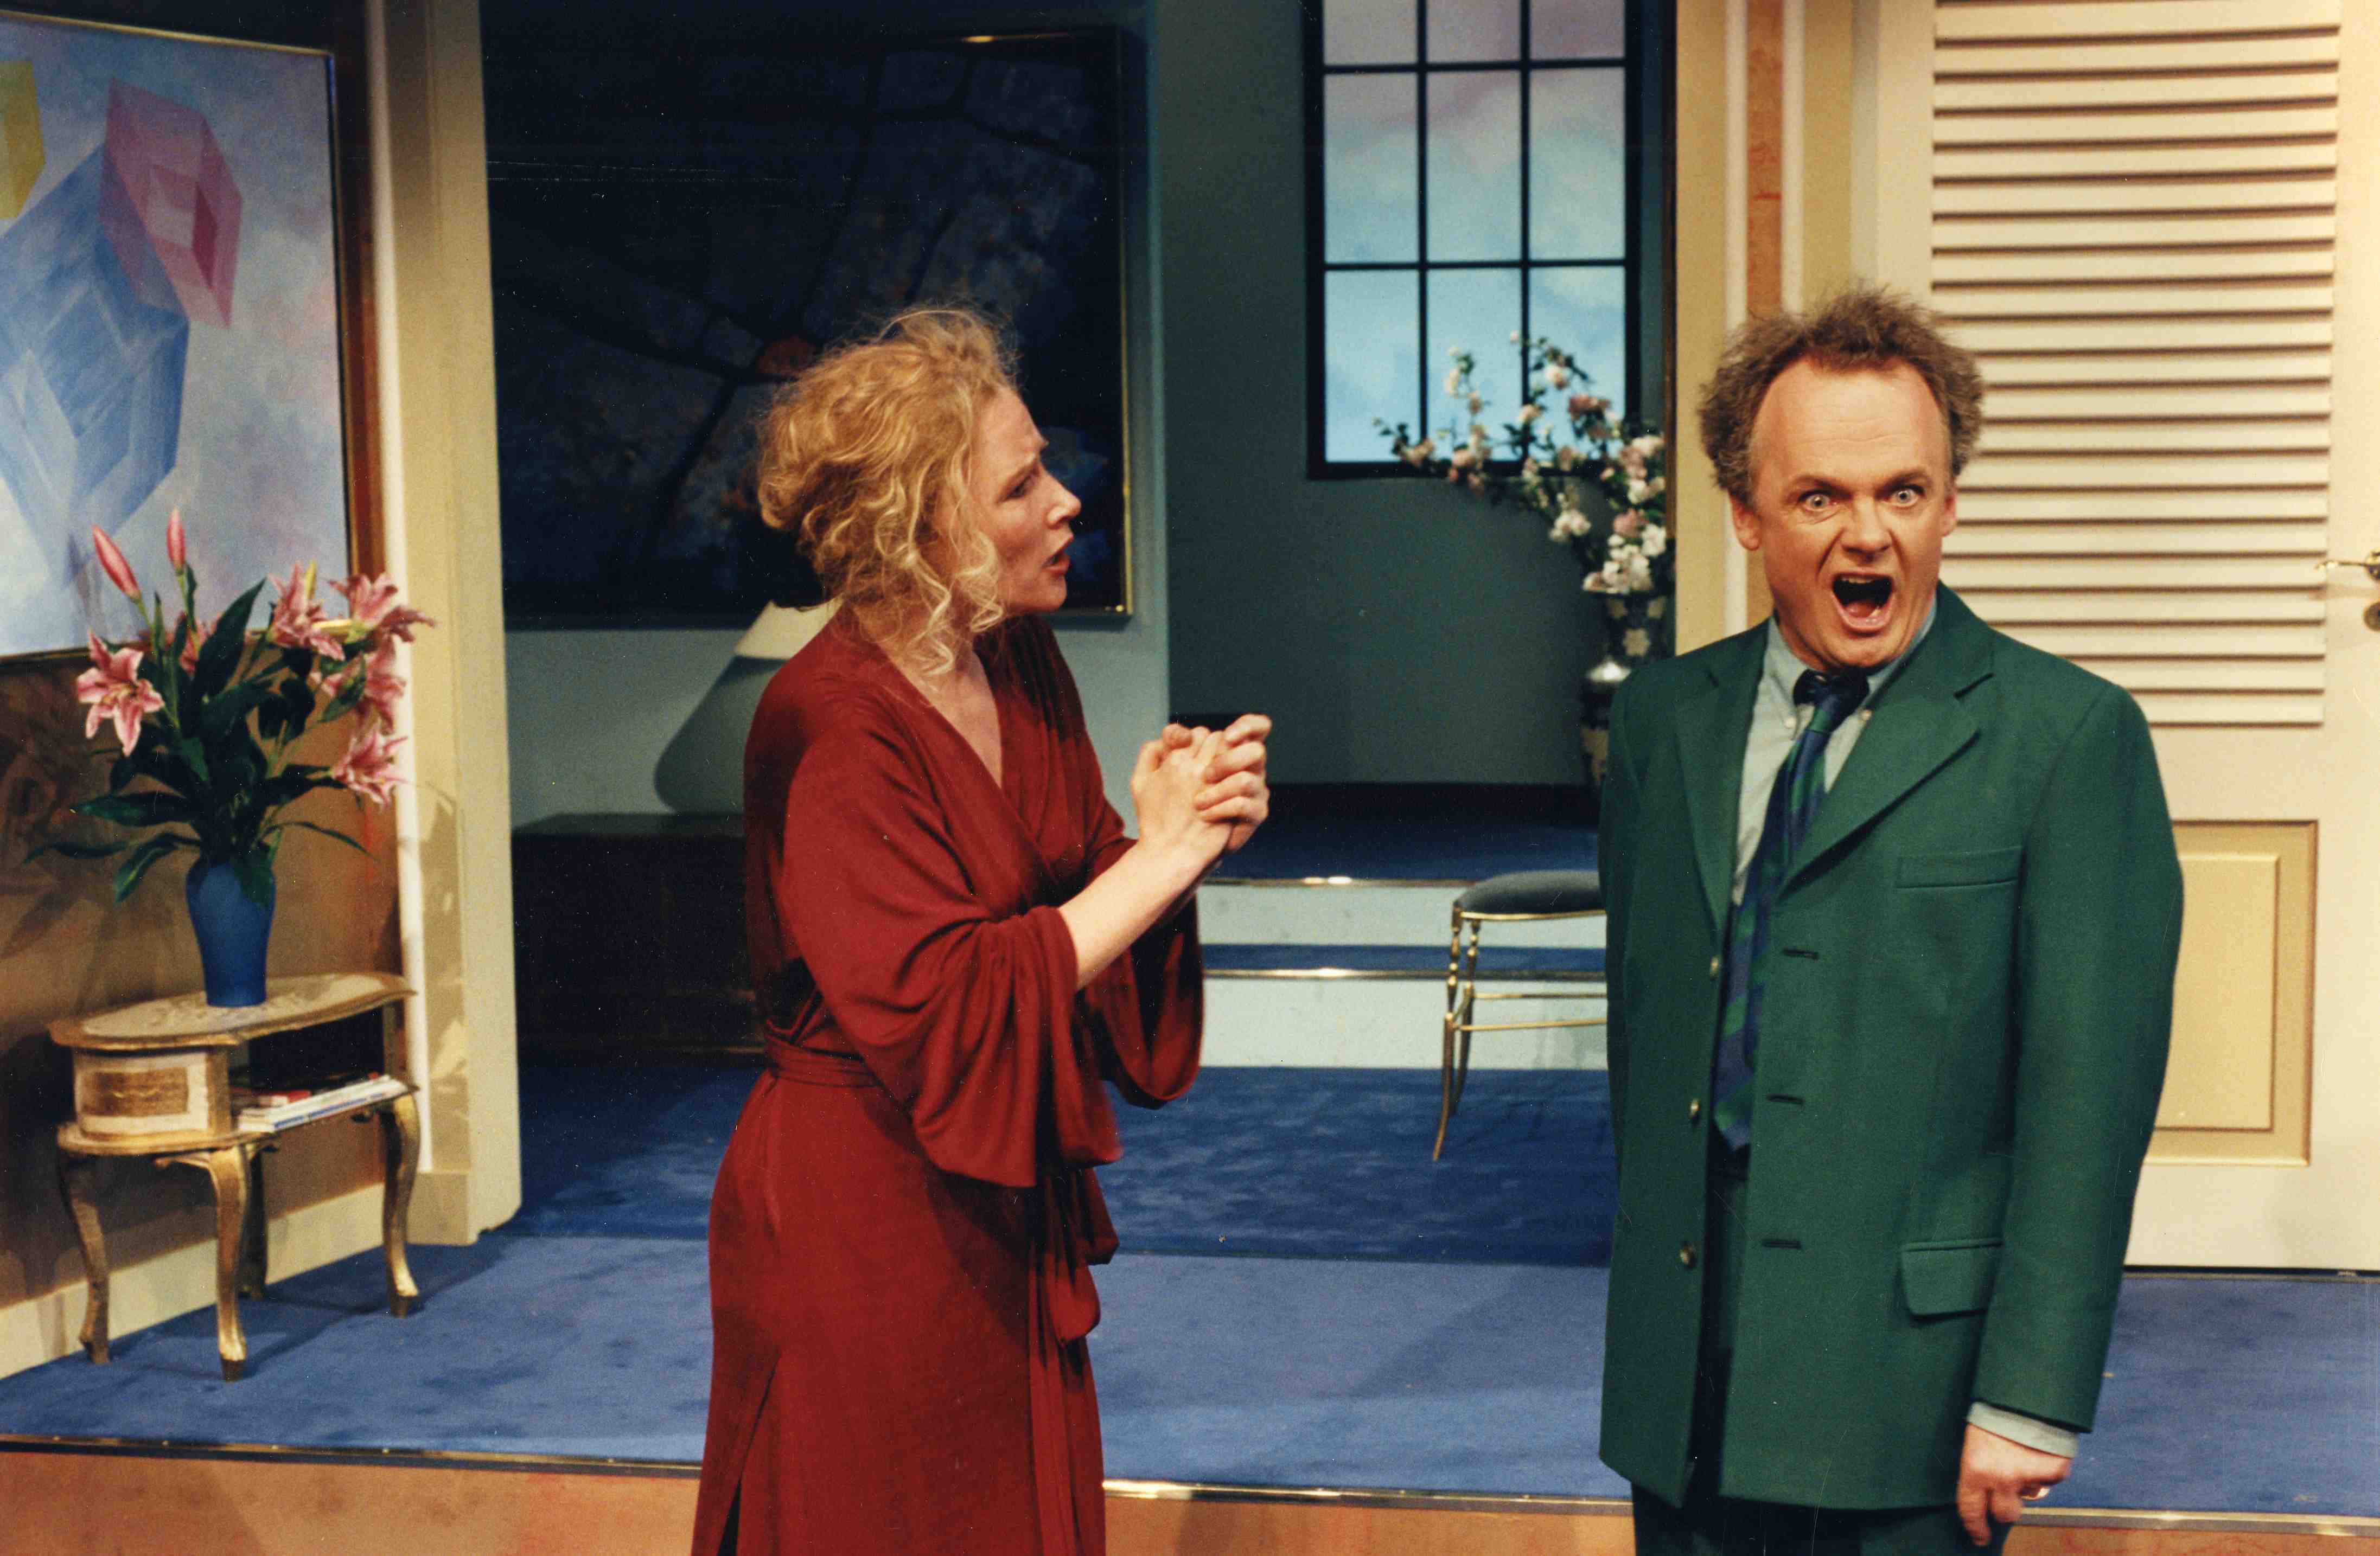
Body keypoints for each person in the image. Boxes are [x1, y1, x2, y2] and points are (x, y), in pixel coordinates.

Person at [1596, 284, 2183, 1554]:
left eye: (1903, 492)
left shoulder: (2067, 739)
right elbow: (1643, 1039)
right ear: (1746, 513)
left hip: (1910, 1387)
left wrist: (2029, 1393)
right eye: (1820, 497)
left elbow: (2087, 1104)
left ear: (1949, 502)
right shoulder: (1660, 723)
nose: (1868, 536)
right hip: (1685, 1375)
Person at [689, 308, 1271, 1556]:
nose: (1066, 502)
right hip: (860, 1216)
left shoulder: (1016, 657)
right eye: (1020, 487)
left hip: (989, 1197)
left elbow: (1073, 899)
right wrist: (1160, 860)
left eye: (1045, 468)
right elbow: (952, 996)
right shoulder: (829, 722)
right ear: (921, 532)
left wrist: (1175, 828)